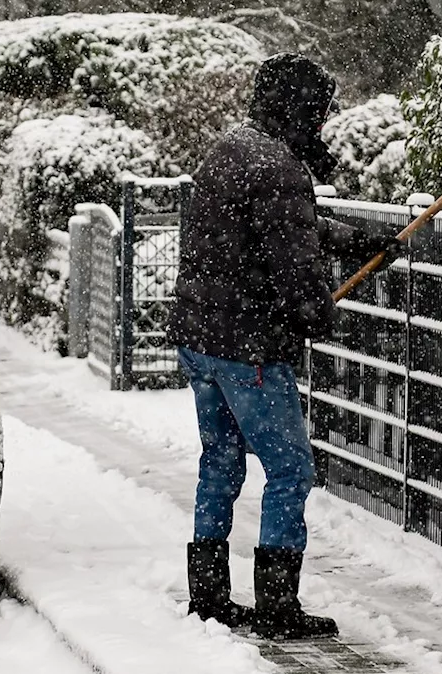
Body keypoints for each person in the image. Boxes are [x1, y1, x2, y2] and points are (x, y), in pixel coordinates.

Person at [166, 53, 399, 640]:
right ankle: (277, 605)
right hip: (248, 350)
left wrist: (358, 242)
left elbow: (290, 225)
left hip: (200, 341)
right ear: (298, 110)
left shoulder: (230, 151)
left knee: (220, 461)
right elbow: (294, 263)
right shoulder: (281, 169)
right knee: (291, 469)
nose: (320, 125)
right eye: (316, 113)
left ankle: (210, 595)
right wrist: (316, 313)